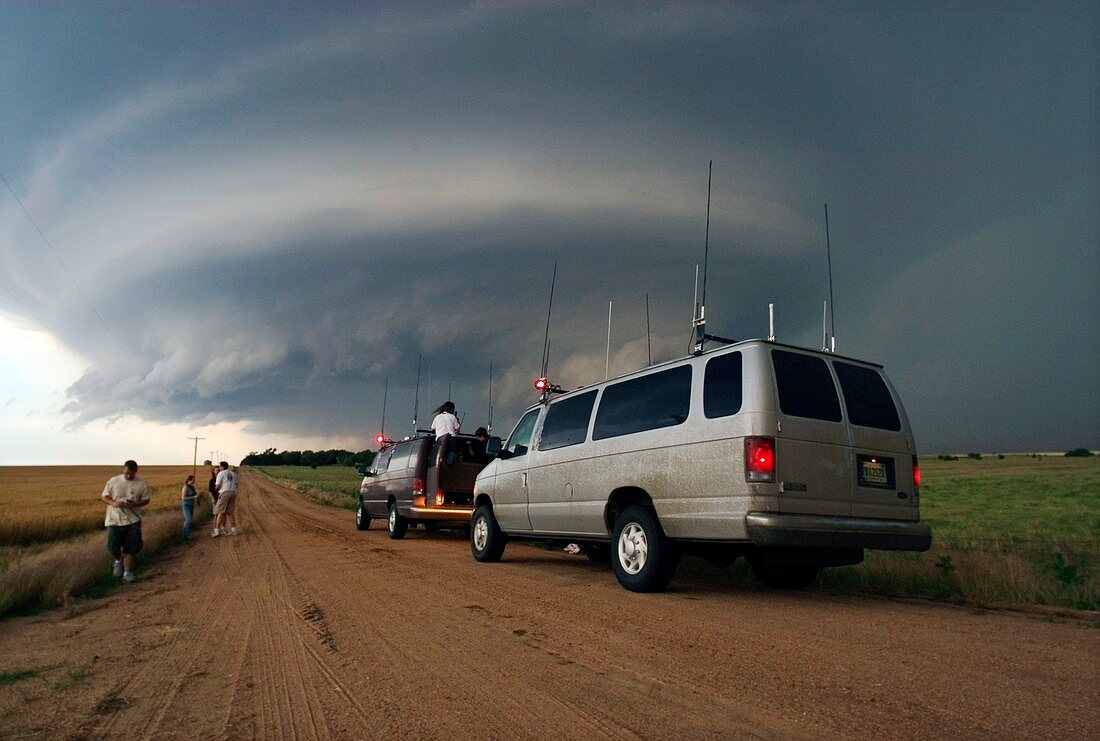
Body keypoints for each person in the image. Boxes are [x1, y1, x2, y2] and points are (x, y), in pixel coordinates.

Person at [102, 460, 151, 583]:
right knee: (113, 546)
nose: (129, 476)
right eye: (127, 473)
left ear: (136, 472)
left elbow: (146, 500)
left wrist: (134, 504)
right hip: (114, 519)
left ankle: (127, 572)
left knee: (131, 548)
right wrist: (114, 503)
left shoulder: (142, 484)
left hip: (133, 520)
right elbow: (104, 496)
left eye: (131, 474)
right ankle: (118, 560)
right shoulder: (113, 481)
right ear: (123, 470)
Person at [212, 461, 238, 537]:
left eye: (220, 467)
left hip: (224, 492)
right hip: (232, 492)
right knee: (230, 512)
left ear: (222, 467)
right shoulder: (233, 474)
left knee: (220, 511)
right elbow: (236, 483)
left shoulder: (221, 473)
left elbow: (217, 485)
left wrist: (217, 489)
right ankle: (234, 530)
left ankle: (216, 530)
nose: (219, 468)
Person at [181, 474, 198, 542]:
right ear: (189, 480)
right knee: (188, 519)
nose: (194, 482)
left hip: (191, 505)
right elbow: (183, 498)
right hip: (186, 505)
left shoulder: (192, 487)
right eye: (193, 480)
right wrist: (193, 497)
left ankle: (186, 535)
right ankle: (184, 536)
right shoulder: (185, 488)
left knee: (189, 520)